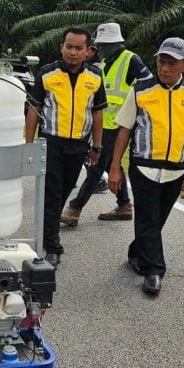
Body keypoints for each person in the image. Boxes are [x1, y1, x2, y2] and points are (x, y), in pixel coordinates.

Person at [107, 37, 184, 295]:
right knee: (148, 217)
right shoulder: (141, 90)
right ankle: (153, 270)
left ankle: (136, 253)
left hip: (176, 170)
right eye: (161, 62)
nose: (164, 68)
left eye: (171, 64)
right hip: (143, 167)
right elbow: (124, 129)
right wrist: (115, 166)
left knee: (157, 219)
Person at [25, 27, 106, 268]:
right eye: (68, 47)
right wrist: (29, 146)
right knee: (53, 193)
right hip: (51, 141)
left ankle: (45, 231)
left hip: (79, 145)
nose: (73, 52)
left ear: (88, 51)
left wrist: (97, 146)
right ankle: (53, 246)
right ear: (61, 47)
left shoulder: (94, 77)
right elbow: (33, 110)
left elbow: (98, 112)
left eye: (78, 48)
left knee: (65, 189)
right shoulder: (47, 74)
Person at [61, 22, 151, 227]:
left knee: (96, 167)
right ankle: (124, 205)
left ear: (117, 44)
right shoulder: (102, 65)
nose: (100, 49)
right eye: (99, 45)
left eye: (105, 45)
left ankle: (74, 208)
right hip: (104, 125)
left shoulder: (131, 60)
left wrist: (137, 115)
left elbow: (149, 86)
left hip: (122, 125)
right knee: (112, 165)